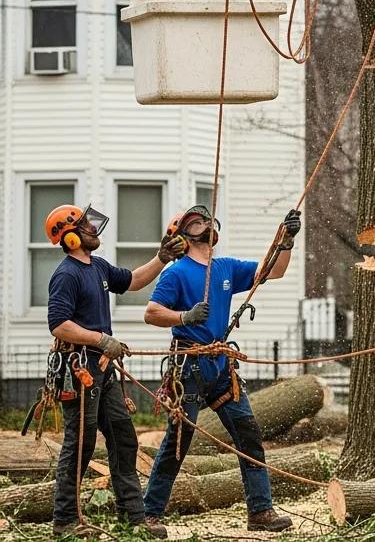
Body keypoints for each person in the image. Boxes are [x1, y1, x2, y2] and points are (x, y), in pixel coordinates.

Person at [142, 204, 302, 534]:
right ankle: (150, 512)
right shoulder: (176, 273)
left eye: (205, 220)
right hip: (189, 368)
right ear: (183, 235)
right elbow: (152, 313)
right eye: (195, 222)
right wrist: (184, 317)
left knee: (249, 436)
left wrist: (285, 242)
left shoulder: (226, 267)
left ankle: (260, 511)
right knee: (179, 441)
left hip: (220, 367)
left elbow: (273, 271)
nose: (203, 224)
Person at [46, 204, 185, 538]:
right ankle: (64, 520)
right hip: (79, 369)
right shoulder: (66, 274)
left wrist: (162, 257)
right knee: (80, 443)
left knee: (123, 438)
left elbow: (134, 281)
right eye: (85, 227)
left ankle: (133, 517)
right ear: (71, 238)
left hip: (103, 370)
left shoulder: (98, 268)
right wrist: (100, 339)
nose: (93, 230)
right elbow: (59, 324)